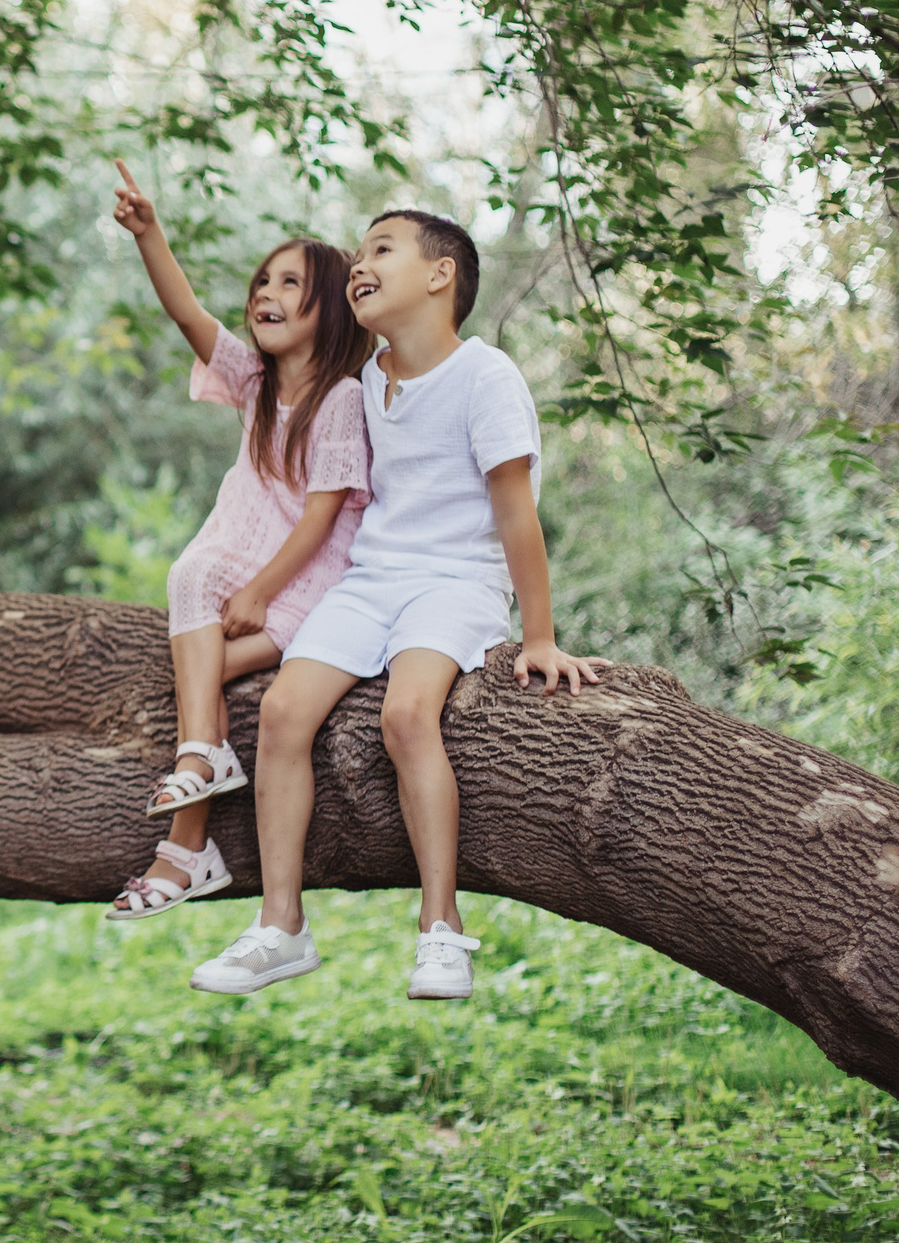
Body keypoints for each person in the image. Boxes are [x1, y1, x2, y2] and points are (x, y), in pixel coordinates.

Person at [191, 210, 606, 997]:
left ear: (441, 275)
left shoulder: (486, 376)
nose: (359, 264)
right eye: (357, 257)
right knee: (281, 714)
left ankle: (441, 929)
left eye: (382, 249)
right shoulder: (366, 381)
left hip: (455, 582)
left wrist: (541, 637)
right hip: (371, 579)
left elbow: (517, 513)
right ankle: (281, 926)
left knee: (407, 714)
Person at [106, 162, 375, 920]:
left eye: (290, 284)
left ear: (329, 308)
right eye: (263, 281)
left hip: (309, 587)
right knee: (193, 592)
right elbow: (187, 312)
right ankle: (190, 823)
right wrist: (148, 233)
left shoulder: (343, 398)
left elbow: (324, 518)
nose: (267, 293)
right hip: (239, 570)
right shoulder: (255, 385)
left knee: (201, 670)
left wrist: (259, 592)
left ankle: (185, 839)